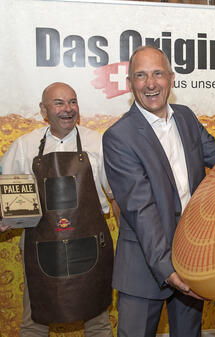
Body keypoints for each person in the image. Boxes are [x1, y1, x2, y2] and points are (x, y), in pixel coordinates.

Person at [102, 45, 215, 337]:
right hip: (143, 271)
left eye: (158, 74)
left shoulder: (185, 117)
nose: (151, 83)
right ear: (130, 84)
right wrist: (167, 268)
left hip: (191, 261)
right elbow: (140, 209)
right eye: (141, 75)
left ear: (171, 78)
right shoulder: (118, 137)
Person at [0, 82, 115, 336]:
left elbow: (118, 196)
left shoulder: (98, 144)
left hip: (90, 245)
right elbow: (7, 193)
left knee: (98, 321)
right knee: (34, 321)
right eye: (59, 103)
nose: (68, 109)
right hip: (41, 245)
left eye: (72, 102)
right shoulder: (24, 146)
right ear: (44, 110)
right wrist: (6, 216)